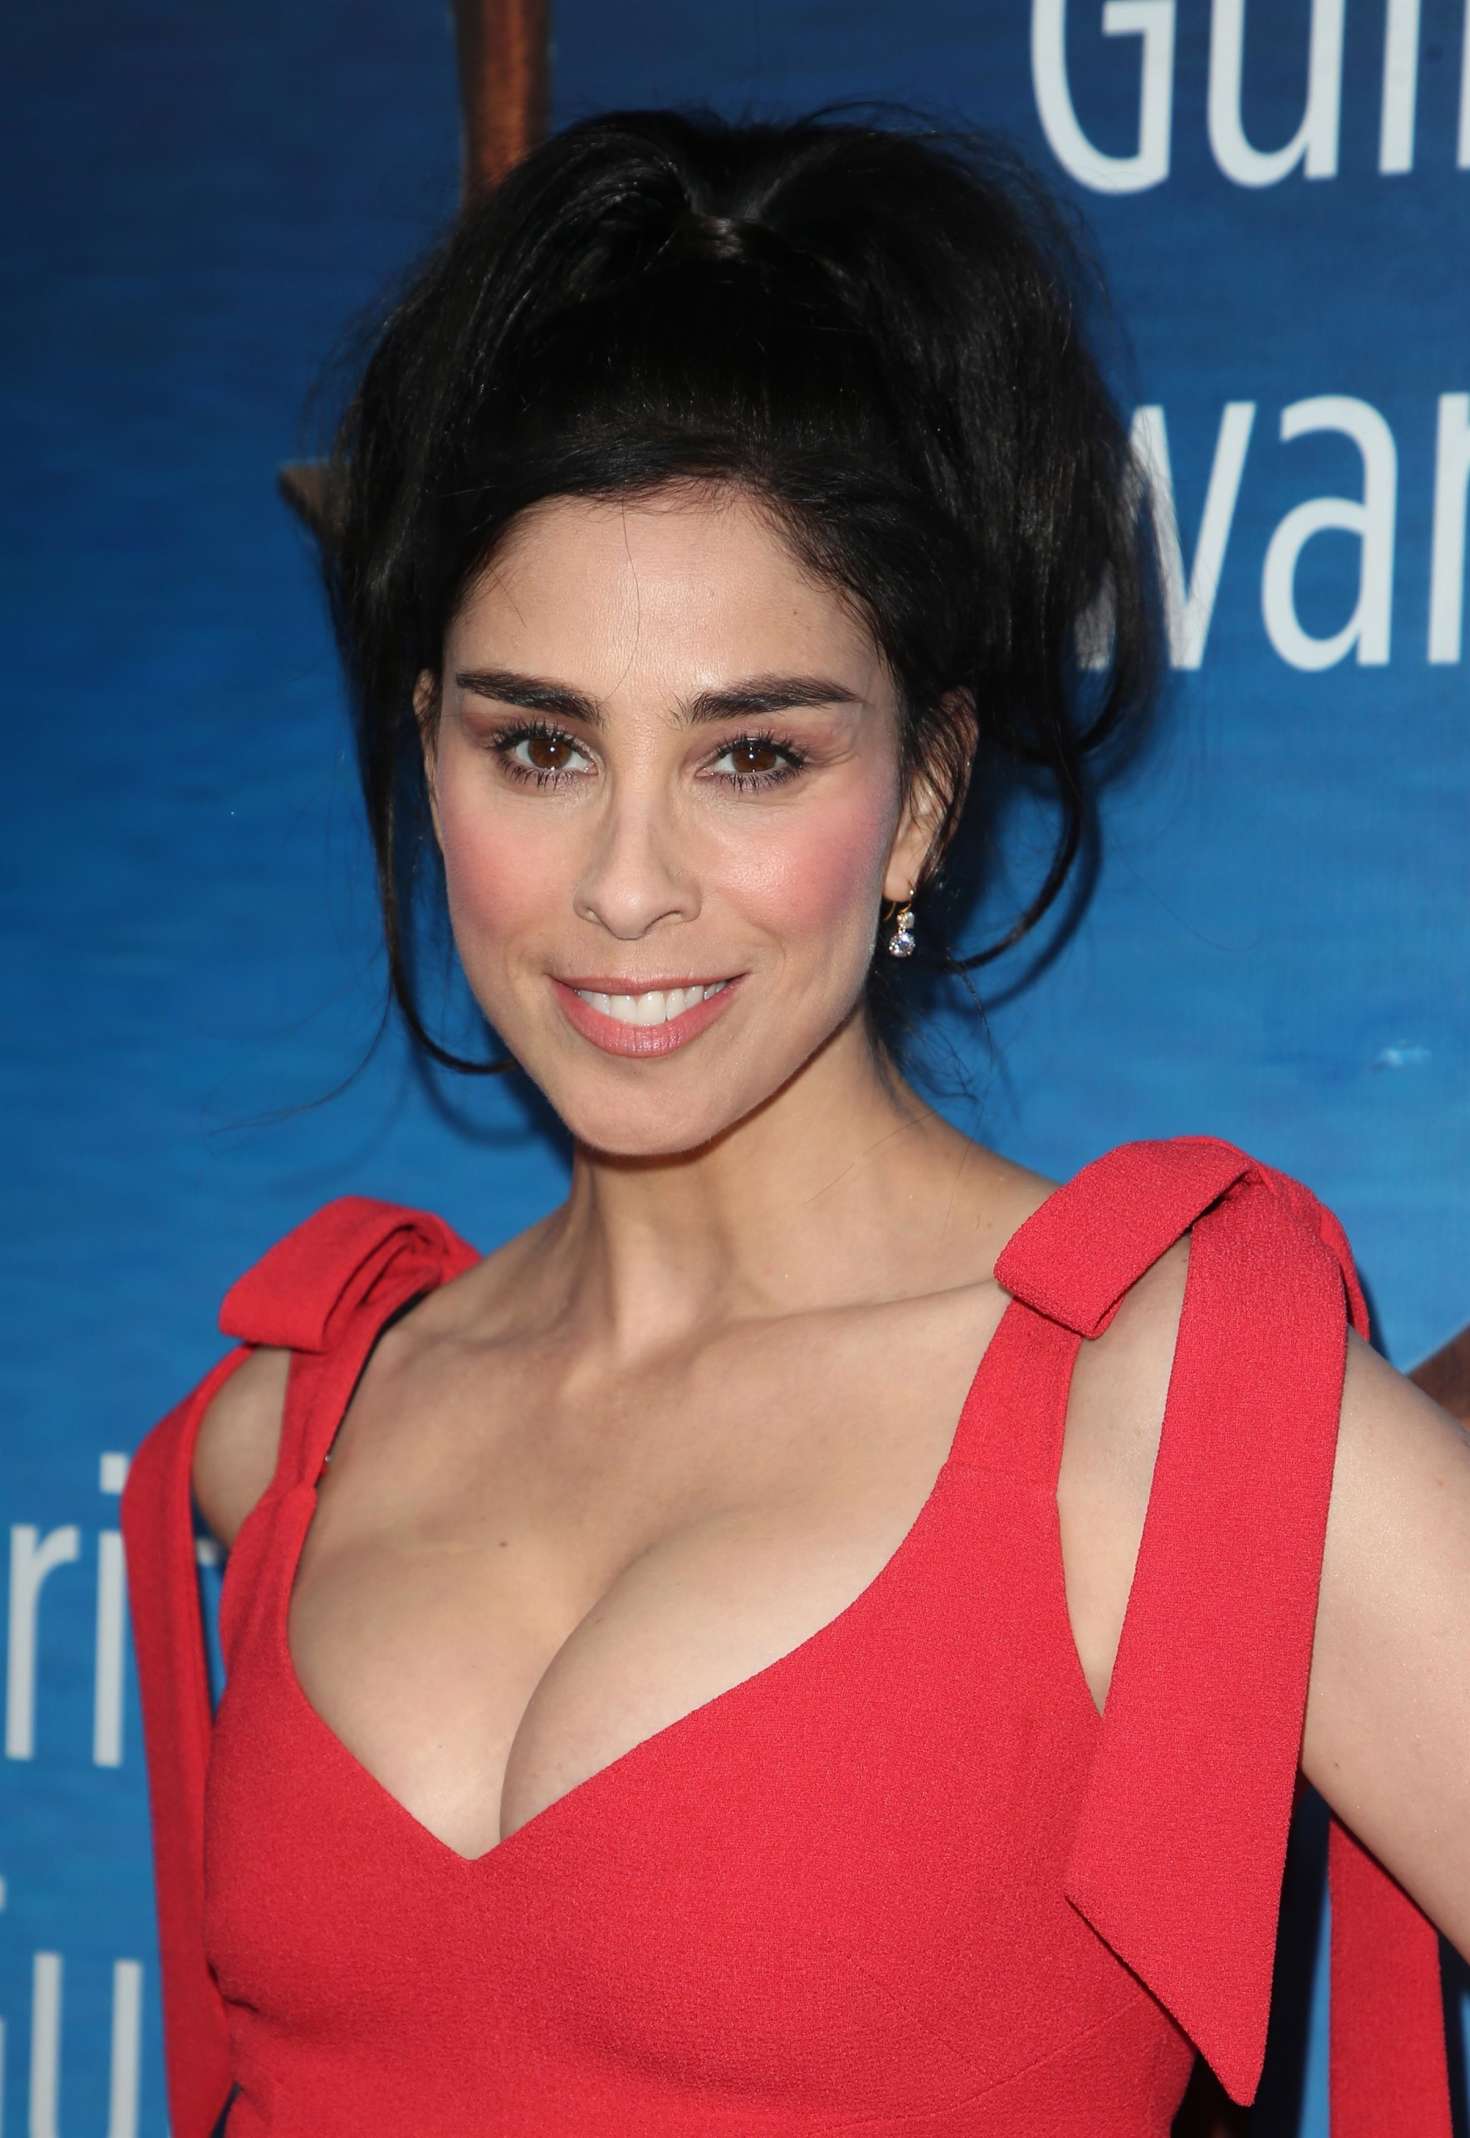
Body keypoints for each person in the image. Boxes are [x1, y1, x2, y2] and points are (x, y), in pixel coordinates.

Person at [119, 104, 1467, 2138]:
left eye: (750, 755)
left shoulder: (1169, 1425)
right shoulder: (285, 1437)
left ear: (922, 791)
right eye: (539, 745)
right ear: (429, 753)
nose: (626, 885)